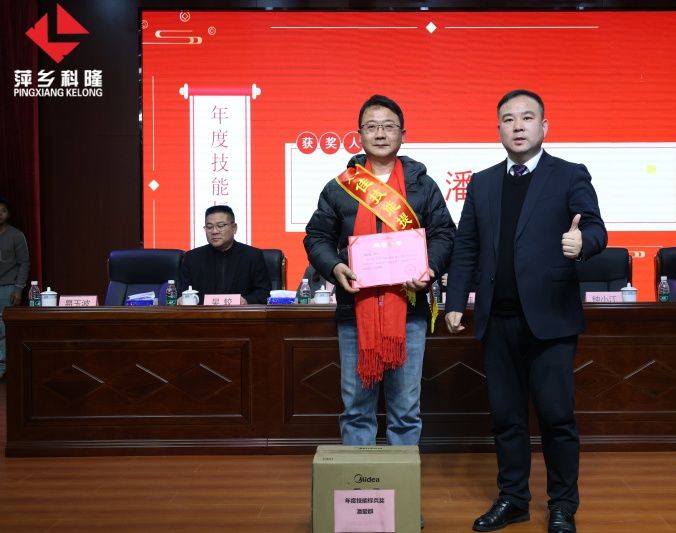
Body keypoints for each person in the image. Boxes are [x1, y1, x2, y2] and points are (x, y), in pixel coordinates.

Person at [444, 90, 607, 533]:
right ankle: (513, 499)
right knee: (506, 418)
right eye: (509, 119)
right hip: (497, 319)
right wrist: (455, 302)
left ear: (544, 126)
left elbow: (596, 227)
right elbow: (467, 246)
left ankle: (562, 506)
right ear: (498, 128)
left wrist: (583, 243)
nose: (518, 126)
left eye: (527, 117)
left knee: (556, 417)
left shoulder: (569, 174)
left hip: (550, 319)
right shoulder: (482, 183)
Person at [304, 94, 455, 445]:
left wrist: (430, 268)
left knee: (406, 408)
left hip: (410, 308)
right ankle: (361, 477)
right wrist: (336, 266)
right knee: (356, 406)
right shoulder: (340, 187)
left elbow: (445, 235)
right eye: (371, 127)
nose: (380, 133)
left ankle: (401, 477)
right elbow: (316, 237)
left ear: (403, 134)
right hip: (355, 309)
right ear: (359, 134)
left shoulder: (422, 185)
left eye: (389, 126)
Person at [179, 205, 271, 305]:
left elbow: (264, 292)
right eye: (209, 227)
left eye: (221, 226)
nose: (214, 231)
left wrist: (246, 301)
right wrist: (181, 299)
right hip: (202, 314)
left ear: (234, 228)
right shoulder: (192, 258)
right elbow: (182, 292)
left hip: (240, 313)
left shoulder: (253, 256)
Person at [0, 196, 31, 379]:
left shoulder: (16, 235)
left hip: (8, 288)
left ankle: (3, 367)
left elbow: (24, 263)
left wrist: (18, 289)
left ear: (8, 214)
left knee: (4, 329)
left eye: (2, 210)